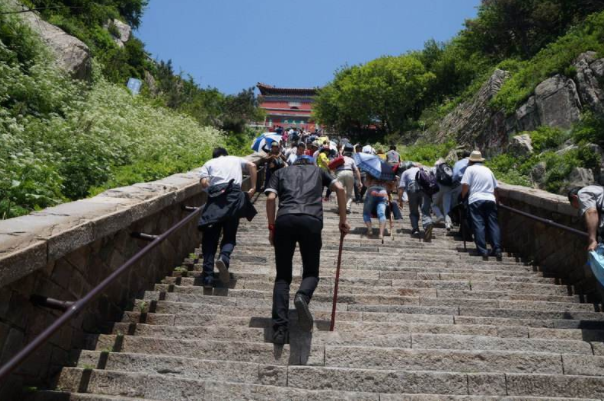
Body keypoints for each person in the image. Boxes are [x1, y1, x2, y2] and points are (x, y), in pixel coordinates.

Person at [265, 155, 350, 344]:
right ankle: (302, 296)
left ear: (294, 163)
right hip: (311, 220)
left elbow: (271, 198)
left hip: (285, 219)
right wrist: (342, 220)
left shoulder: (280, 172)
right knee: (311, 271)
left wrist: (272, 227)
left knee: (282, 276)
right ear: (309, 163)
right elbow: (341, 189)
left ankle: (280, 329)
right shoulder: (319, 171)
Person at [198, 148, 258, 287]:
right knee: (230, 235)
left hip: (215, 199)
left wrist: (213, 189)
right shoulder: (235, 159)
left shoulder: (209, 163)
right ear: (226, 154)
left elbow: (204, 182)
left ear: (214, 156)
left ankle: (208, 277)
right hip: (234, 197)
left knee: (210, 239)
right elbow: (253, 165)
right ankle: (224, 258)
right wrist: (253, 188)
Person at [461, 150, 502, 261]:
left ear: (471, 160)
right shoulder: (488, 170)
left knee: (479, 224)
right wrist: (496, 201)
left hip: (476, 199)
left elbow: (465, 185)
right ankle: (497, 249)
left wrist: (463, 197)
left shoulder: (469, 169)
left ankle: (483, 250)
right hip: (490, 199)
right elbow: (496, 188)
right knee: (493, 224)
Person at [398, 163, 433, 241]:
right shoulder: (425, 170)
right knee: (425, 211)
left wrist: (400, 200)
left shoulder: (406, 172)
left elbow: (401, 188)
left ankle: (415, 229)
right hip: (425, 190)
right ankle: (428, 223)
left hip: (412, 189)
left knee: (413, 211)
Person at [568, 186, 604, 251]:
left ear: (574, 197)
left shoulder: (582, 193)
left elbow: (591, 212)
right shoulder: (599, 189)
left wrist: (592, 240)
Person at [334, 143, 362, 214]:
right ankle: (347, 207)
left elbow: (334, 168)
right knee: (349, 193)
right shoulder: (352, 160)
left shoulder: (339, 159)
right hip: (349, 173)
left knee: (339, 191)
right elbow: (356, 170)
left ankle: (339, 207)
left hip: (339, 173)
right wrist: (359, 181)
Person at [363, 175, 389, 242]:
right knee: (382, 214)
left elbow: (366, 184)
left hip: (372, 191)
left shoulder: (371, 173)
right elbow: (390, 188)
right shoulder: (386, 175)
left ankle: (370, 230)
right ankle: (380, 234)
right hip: (383, 192)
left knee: (366, 213)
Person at [432, 158, 454, 231]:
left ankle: (439, 215)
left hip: (439, 187)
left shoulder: (435, 168)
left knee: (434, 205)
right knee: (446, 206)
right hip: (448, 187)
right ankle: (448, 223)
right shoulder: (448, 168)